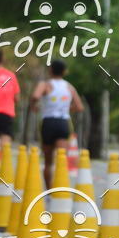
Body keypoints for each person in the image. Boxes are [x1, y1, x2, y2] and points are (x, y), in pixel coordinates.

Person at [31, 59, 84, 188]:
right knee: (61, 160)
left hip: (48, 122)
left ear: (50, 70)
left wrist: (35, 106)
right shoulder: (69, 87)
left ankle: (49, 190)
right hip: (63, 123)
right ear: (64, 72)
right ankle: (60, 189)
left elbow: (35, 96)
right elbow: (79, 107)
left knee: (48, 162)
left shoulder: (45, 84)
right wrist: (66, 108)